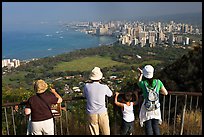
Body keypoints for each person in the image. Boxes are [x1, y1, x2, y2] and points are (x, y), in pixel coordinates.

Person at [137, 65, 168, 135]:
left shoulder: (143, 83)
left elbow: (138, 82)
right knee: (156, 126)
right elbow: (165, 93)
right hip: (156, 108)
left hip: (147, 108)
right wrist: (157, 92)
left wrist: (141, 74)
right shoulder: (158, 82)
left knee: (148, 127)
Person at [83, 67, 113, 135]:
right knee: (106, 132)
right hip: (102, 112)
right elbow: (110, 94)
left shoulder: (86, 86)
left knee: (93, 133)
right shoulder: (104, 87)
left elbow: (84, 95)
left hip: (91, 113)